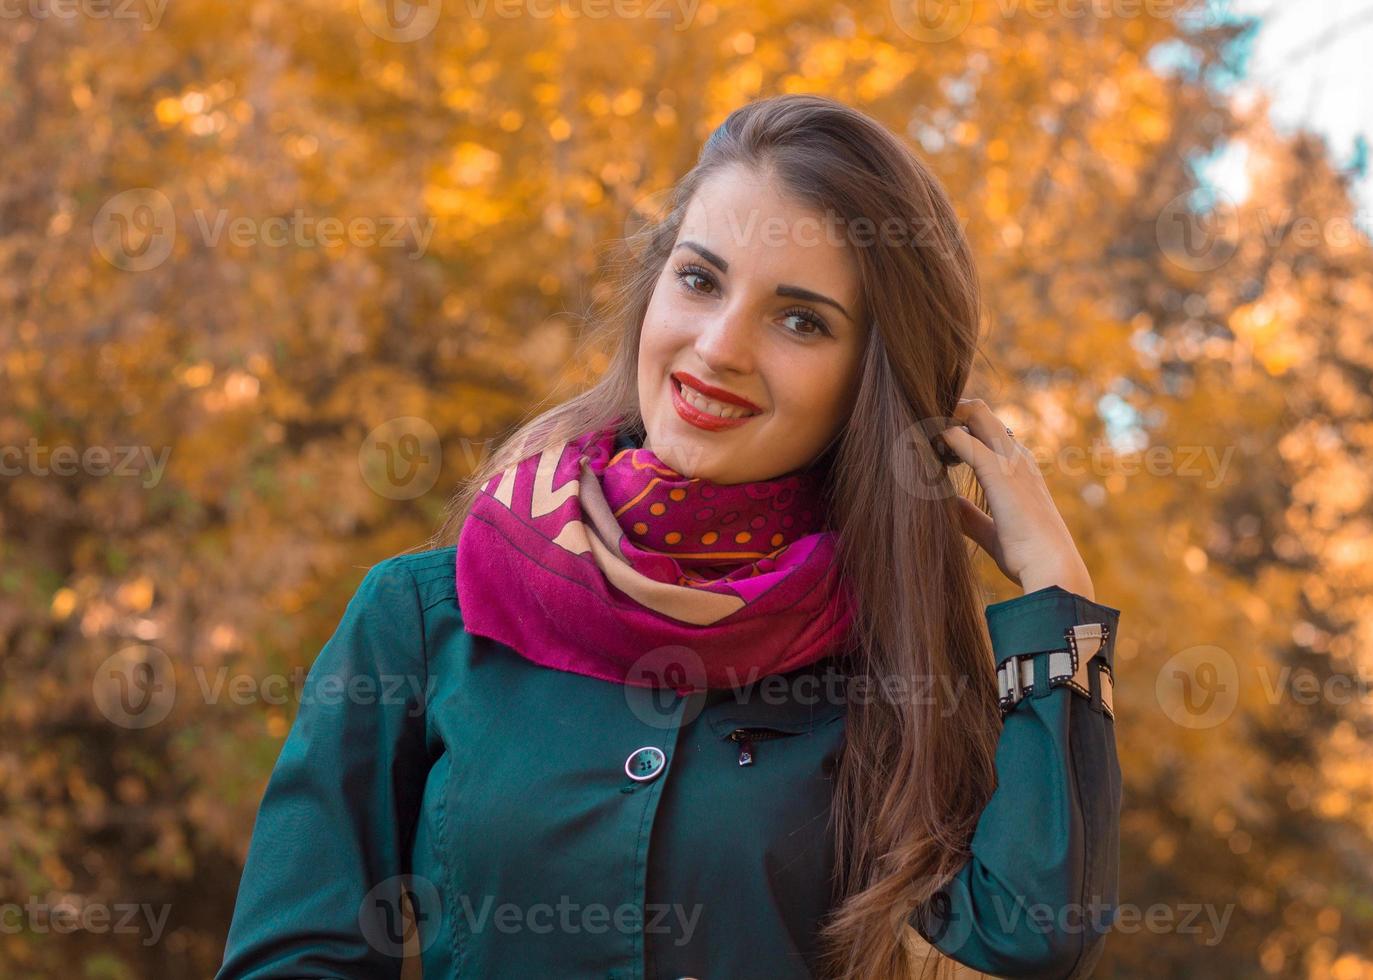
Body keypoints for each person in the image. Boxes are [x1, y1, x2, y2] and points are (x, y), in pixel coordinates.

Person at [216, 93, 1122, 980]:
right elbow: (290, 956)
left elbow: (1032, 931)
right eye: (700, 279)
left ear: (868, 382)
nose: (720, 346)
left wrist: (1055, 595)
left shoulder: (893, 659)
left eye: (801, 320)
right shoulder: (423, 617)